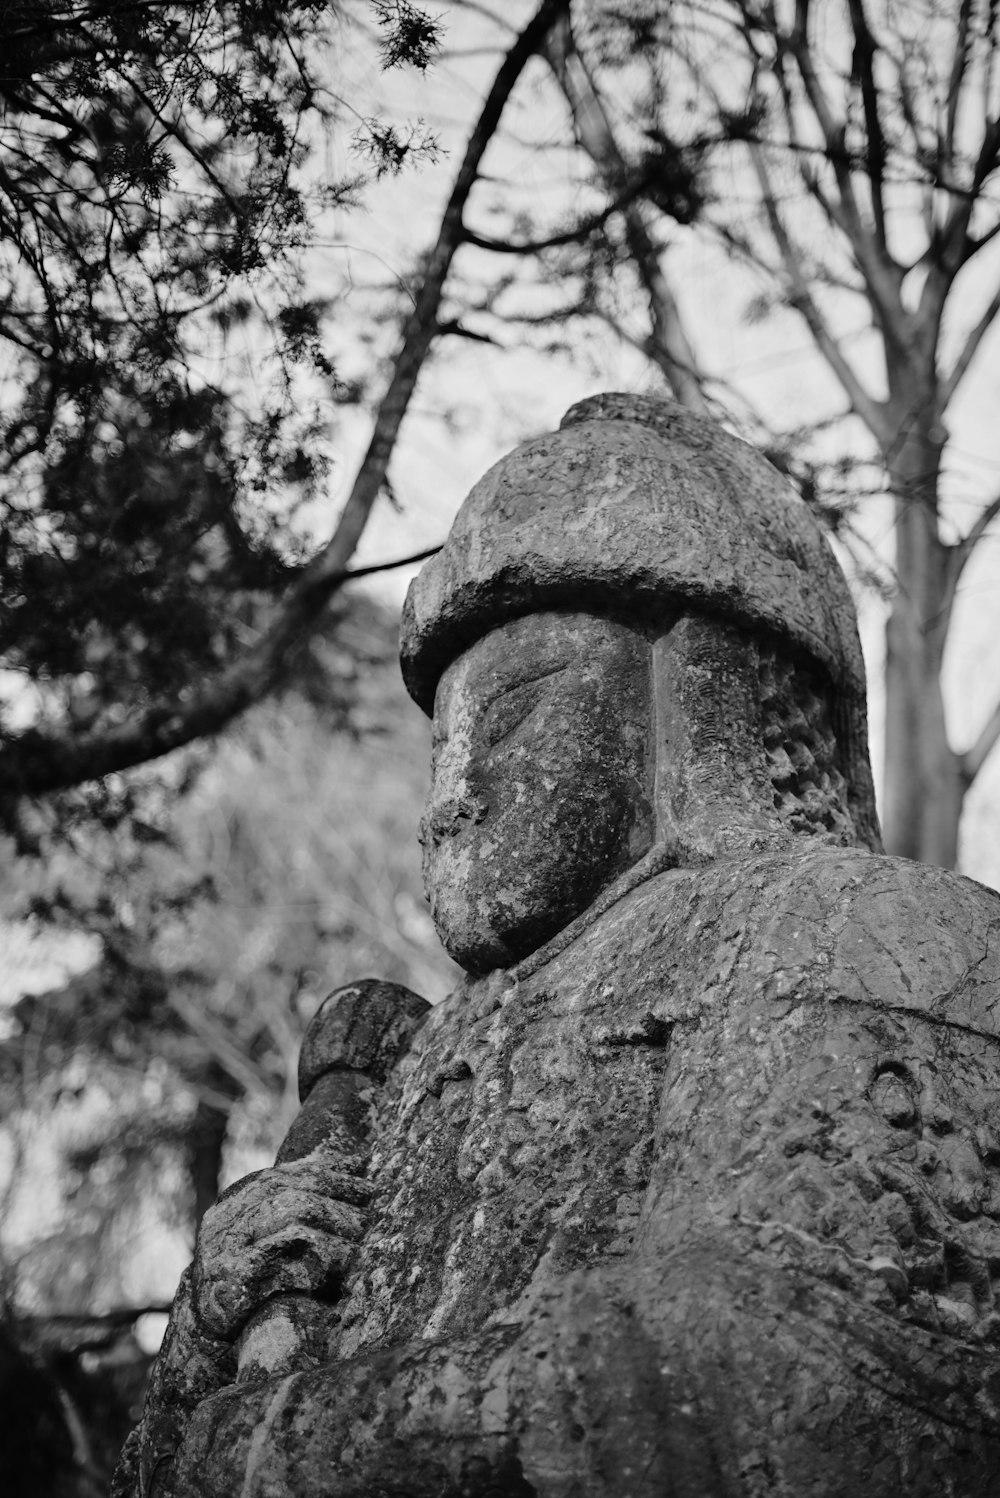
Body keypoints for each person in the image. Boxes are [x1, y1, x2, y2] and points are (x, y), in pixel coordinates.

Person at [116, 395, 1000, 1497]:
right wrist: (208, 1324)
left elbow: (774, 1377)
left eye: (519, 711)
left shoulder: (874, 939)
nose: (453, 797)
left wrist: (272, 1441)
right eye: (440, 744)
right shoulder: (408, 1081)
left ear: (701, 690)